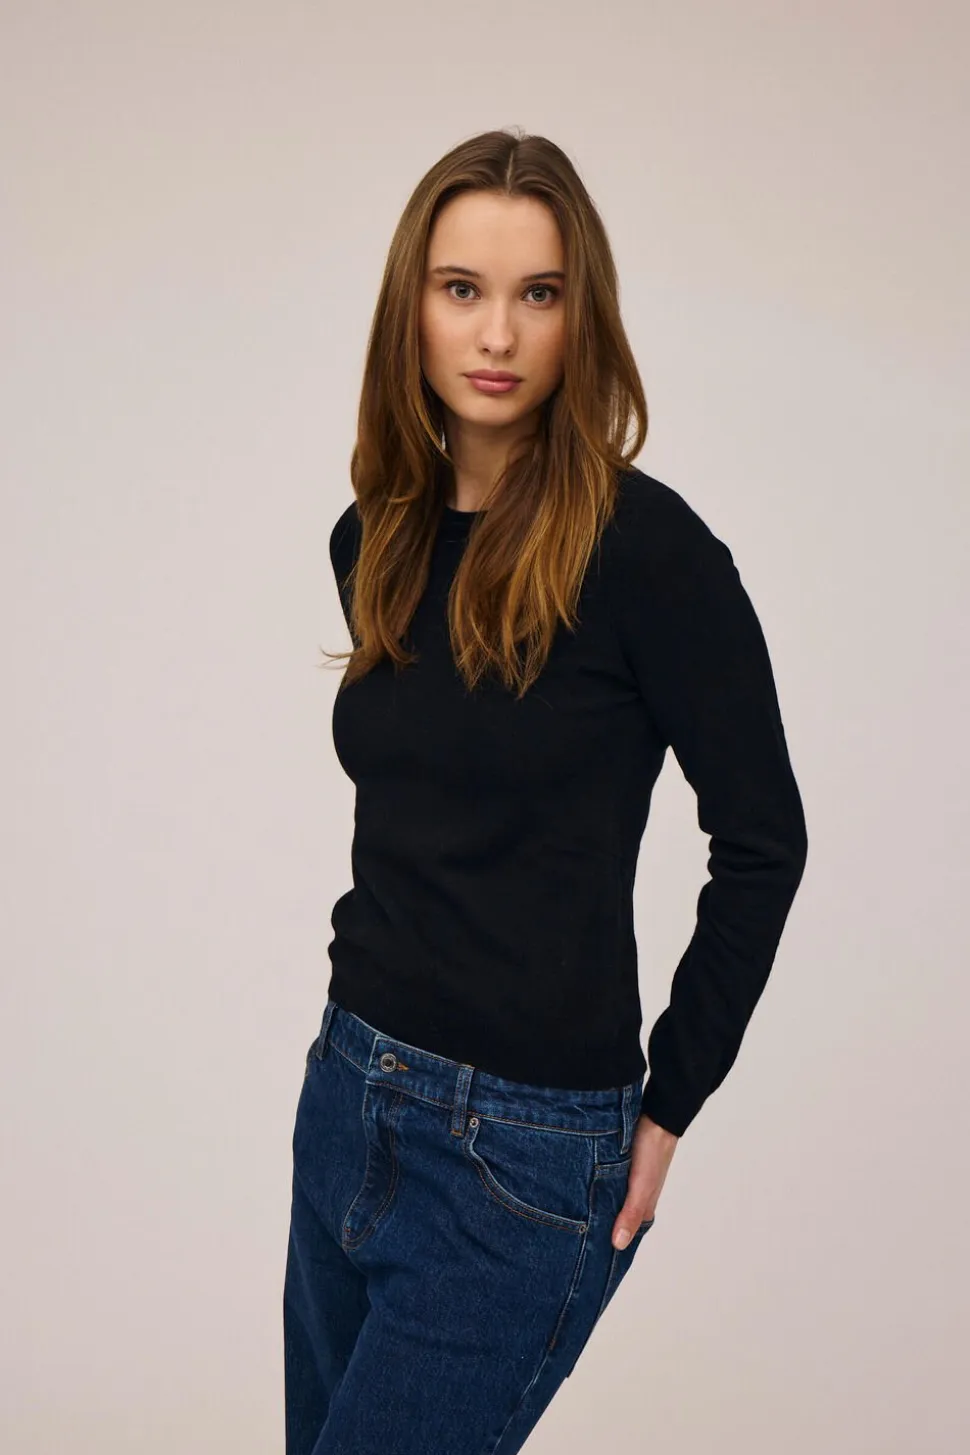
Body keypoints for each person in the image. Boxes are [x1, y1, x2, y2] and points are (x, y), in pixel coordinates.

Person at [283, 127, 808, 1455]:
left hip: (519, 1156)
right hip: (349, 1093)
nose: (498, 334)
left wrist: (671, 1098)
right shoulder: (375, 536)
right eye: (461, 288)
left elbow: (763, 839)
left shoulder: (650, 558)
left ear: (585, 316)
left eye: (539, 293)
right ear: (411, 305)